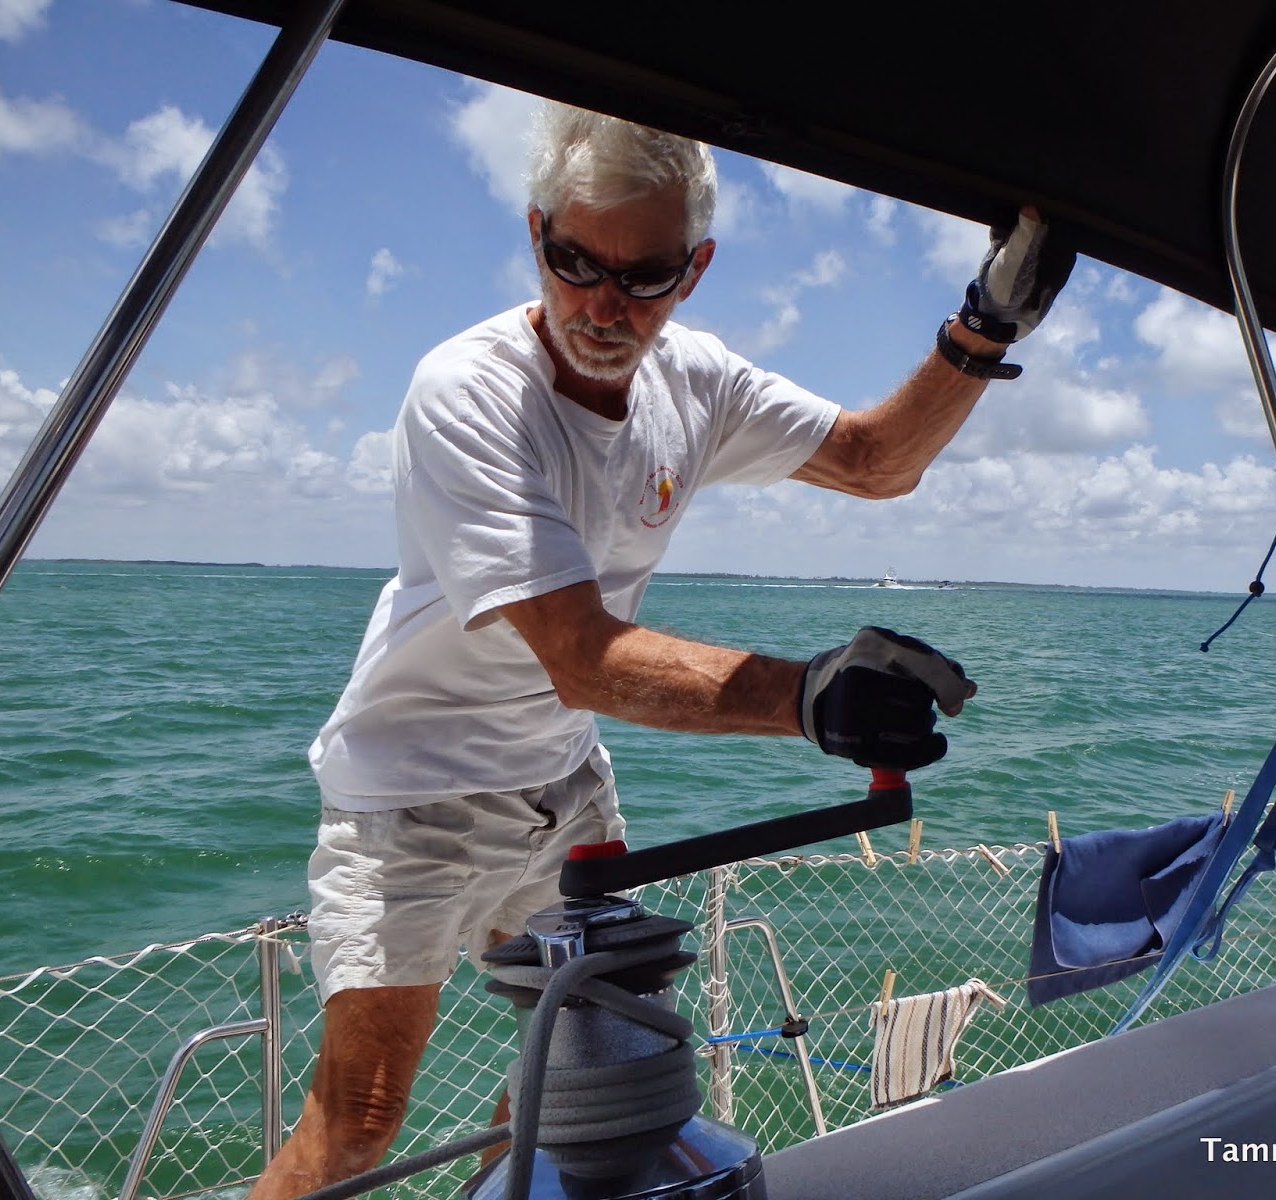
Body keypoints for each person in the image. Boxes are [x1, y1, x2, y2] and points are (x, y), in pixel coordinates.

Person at [248, 103, 1071, 1200]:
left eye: (644, 277)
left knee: (571, 1090)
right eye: (574, 261)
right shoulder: (471, 392)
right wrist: (809, 696)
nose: (603, 303)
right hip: (413, 794)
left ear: (694, 272)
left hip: (559, 786)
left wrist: (983, 329)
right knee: (358, 1121)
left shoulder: (697, 380)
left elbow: (876, 462)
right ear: (537, 232)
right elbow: (581, 656)